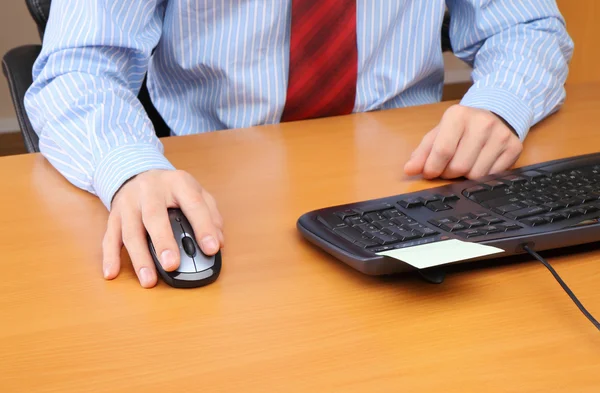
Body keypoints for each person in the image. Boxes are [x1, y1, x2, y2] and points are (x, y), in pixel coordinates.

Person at [24, 1, 574, 288]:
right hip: (221, 199)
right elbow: (79, 66)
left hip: (420, 187)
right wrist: (130, 167)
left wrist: (502, 102)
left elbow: (527, 25)